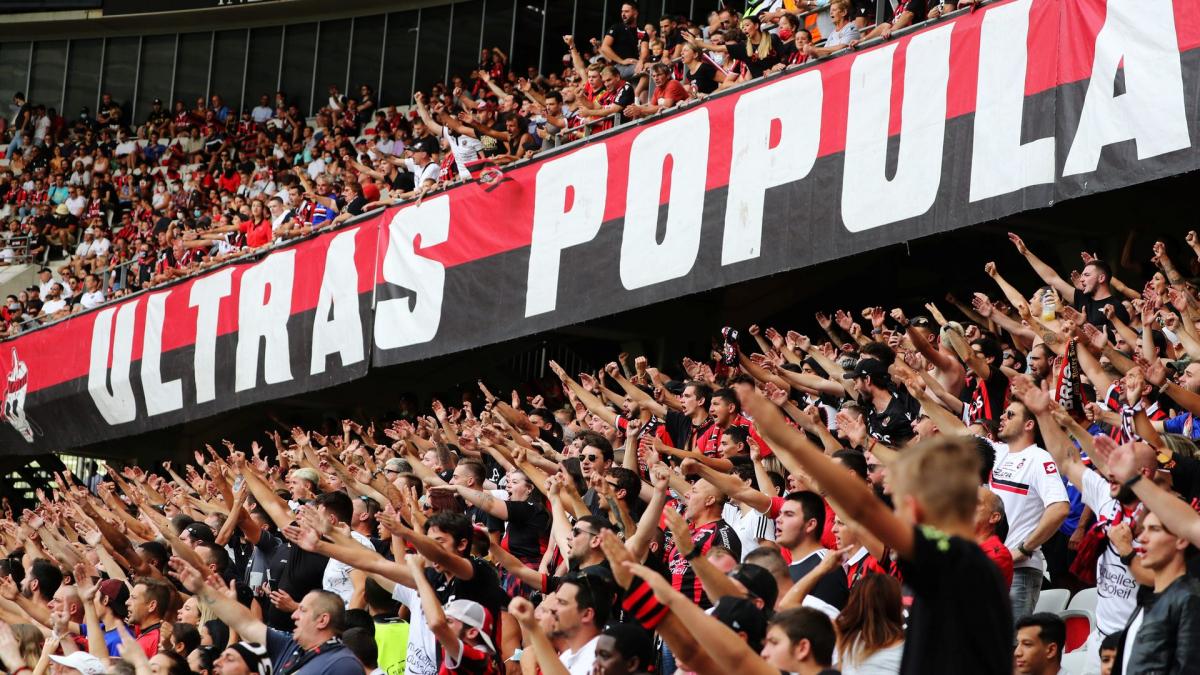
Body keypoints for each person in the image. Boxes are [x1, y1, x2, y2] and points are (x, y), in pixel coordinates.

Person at [170, 558, 363, 675]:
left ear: (323, 620)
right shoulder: (290, 646)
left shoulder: (342, 664)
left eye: (303, 610)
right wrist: (202, 590)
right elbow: (245, 623)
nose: (294, 615)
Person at [987, 400, 1069, 623]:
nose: (1002, 417)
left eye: (1010, 414)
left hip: (1019, 571)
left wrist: (1023, 549)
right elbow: (957, 431)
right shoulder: (997, 451)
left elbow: (1060, 508)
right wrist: (924, 397)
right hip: (990, 566)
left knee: (1012, 648)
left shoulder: (1039, 458)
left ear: (1029, 424)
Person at [833, 573, 904, 674]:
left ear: (856, 603)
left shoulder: (846, 639)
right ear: (897, 605)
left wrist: (823, 568)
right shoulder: (910, 649)